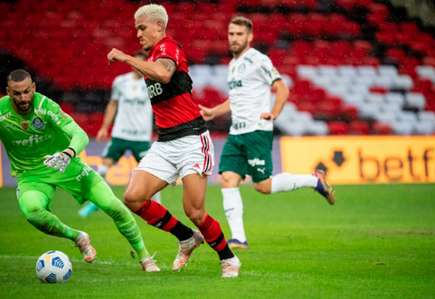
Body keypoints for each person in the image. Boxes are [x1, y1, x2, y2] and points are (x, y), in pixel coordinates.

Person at [106, 4, 240, 278]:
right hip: (165, 142)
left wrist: (125, 58)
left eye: (142, 28)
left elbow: (165, 74)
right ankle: (186, 238)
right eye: (136, 30)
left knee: (195, 211)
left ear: (159, 26)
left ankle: (228, 258)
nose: (138, 34)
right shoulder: (153, 55)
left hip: (192, 138)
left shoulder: (169, 48)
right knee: (133, 197)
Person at [0, 69, 159, 272]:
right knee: (32, 212)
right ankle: (78, 237)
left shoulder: (46, 107)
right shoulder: (1, 112)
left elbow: (80, 135)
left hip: (67, 166)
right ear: (8, 92)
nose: (23, 98)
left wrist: (67, 153)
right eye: (16, 93)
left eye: (26, 92)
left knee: (114, 207)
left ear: (33, 88)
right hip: (31, 175)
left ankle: (145, 257)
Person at [199, 16, 336, 250]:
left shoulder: (258, 60)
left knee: (263, 186)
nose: (234, 38)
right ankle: (238, 238)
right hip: (236, 133)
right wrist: (214, 111)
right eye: (231, 34)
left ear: (249, 37)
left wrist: (273, 113)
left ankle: (314, 181)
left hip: (256, 131)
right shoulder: (233, 65)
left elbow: (282, 87)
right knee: (227, 179)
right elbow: (236, 98)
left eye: (239, 34)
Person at [78, 50, 160, 218]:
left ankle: (158, 206)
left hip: (141, 137)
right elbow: (113, 105)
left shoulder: (152, 83)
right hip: (120, 134)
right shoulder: (120, 82)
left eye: (139, 64)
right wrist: (104, 127)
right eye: (133, 63)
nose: (135, 67)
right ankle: (96, 203)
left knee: (153, 172)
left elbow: (160, 107)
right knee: (102, 168)